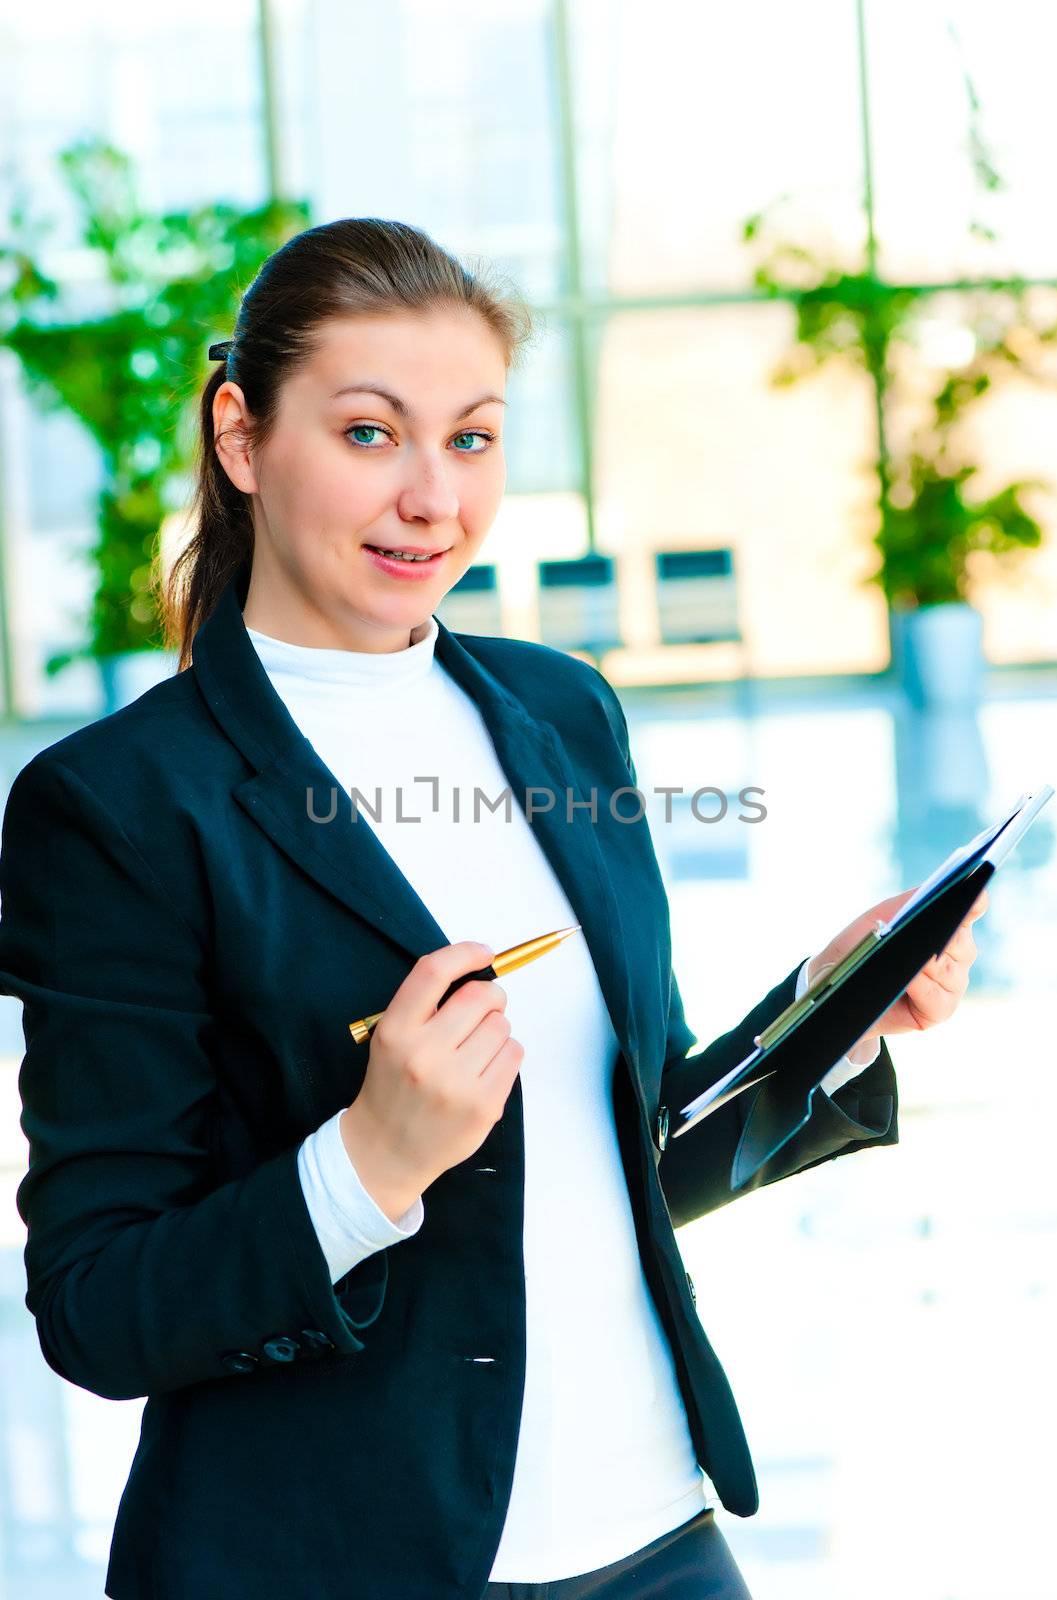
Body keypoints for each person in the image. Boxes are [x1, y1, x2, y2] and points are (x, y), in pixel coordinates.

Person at [0, 218, 987, 1600]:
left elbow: (623, 1150)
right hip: (341, 1564)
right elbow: (98, 1311)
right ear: (241, 437)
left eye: (470, 440)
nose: (430, 499)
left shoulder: (560, 715)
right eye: (366, 434)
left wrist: (826, 1020)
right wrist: (366, 1163)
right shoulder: (117, 807)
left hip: (654, 1539)